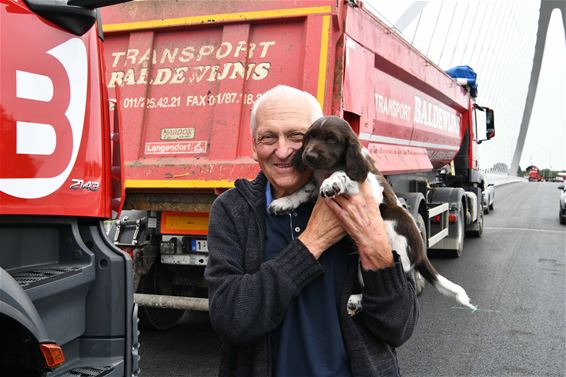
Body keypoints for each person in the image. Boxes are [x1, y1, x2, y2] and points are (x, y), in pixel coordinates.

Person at [204, 85, 418, 377]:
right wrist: (312, 241)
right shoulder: (232, 211)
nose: (282, 151)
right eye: (268, 137)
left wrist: (374, 245)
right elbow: (232, 320)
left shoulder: (366, 203)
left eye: (297, 137)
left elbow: (399, 326)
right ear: (254, 147)